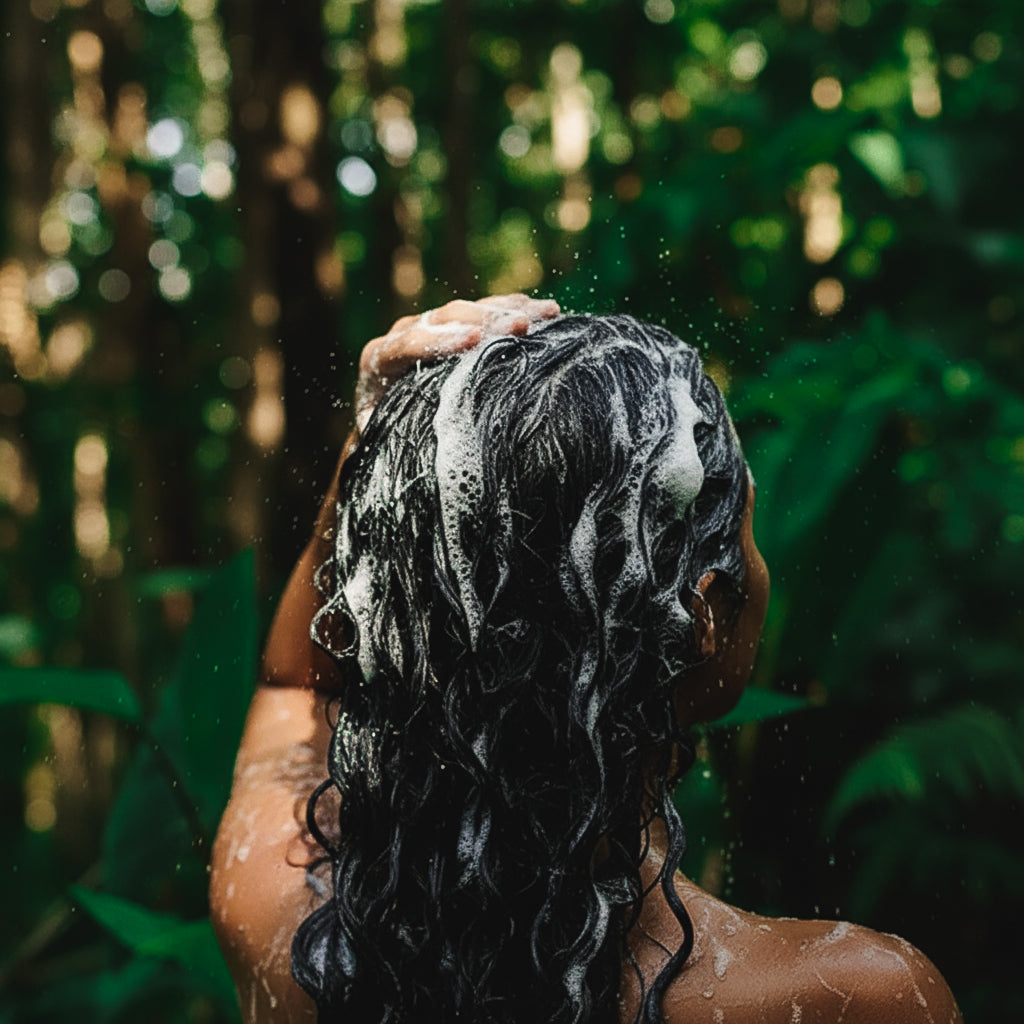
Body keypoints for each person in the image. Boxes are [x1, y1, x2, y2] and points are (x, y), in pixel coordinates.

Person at [210, 295, 962, 1024]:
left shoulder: (287, 920)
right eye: (748, 527)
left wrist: (367, 453)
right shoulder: (851, 1000)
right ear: (701, 614)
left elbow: (295, 682)